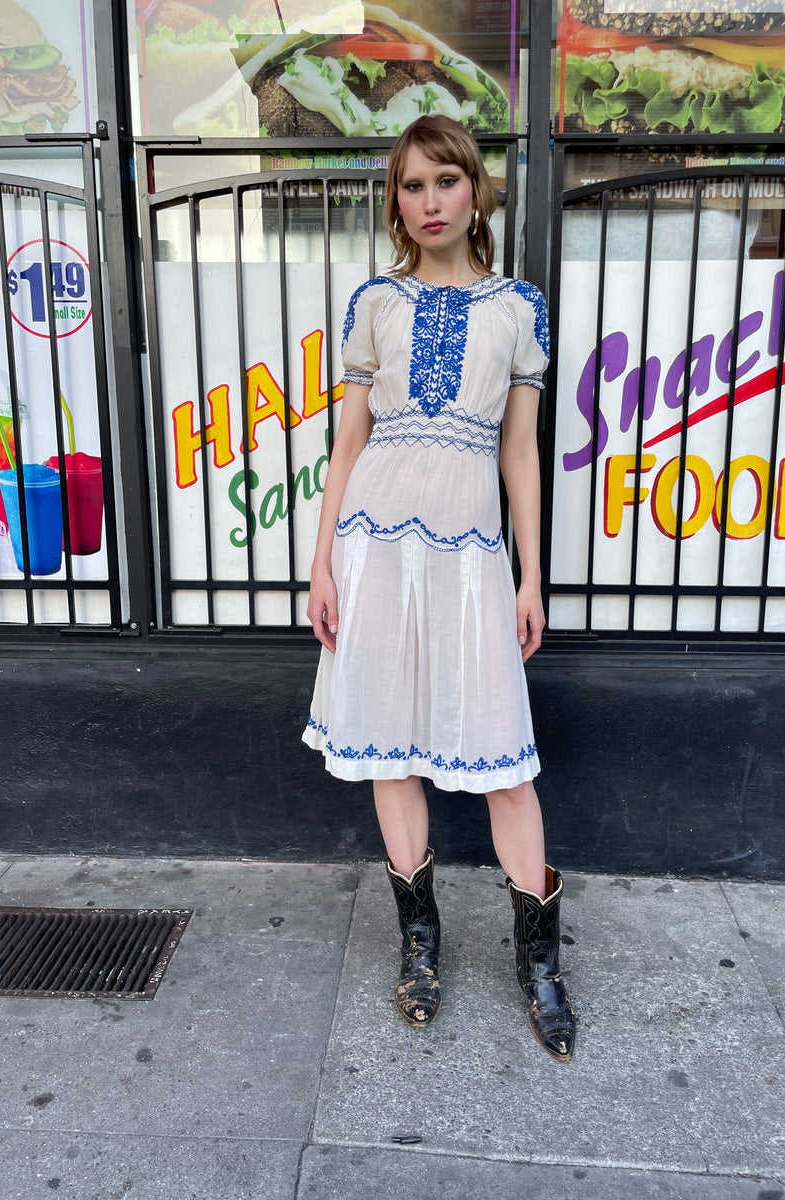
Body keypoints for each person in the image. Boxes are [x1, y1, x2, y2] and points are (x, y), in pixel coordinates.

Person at [302, 114, 575, 1061]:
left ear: (476, 192)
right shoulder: (374, 303)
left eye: (445, 183)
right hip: (374, 545)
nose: (428, 203)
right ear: (396, 198)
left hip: (469, 555)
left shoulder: (516, 309)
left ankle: (539, 958)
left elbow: (521, 457)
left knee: (505, 763)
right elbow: (348, 444)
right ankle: (420, 941)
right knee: (392, 751)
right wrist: (323, 559)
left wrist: (530, 575)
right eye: (411, 186)